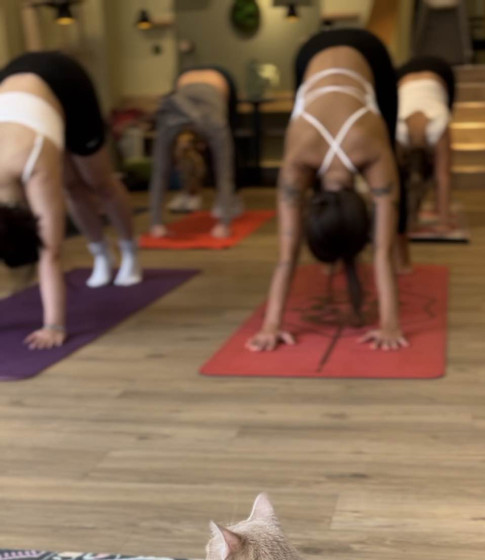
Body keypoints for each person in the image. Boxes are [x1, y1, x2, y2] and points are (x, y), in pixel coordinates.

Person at [249, 27, 408, 353]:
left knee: (393, 159)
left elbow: (287, 255)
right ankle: (346, 243)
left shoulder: (302, 162)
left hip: (357, 54)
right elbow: (380, 251)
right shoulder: (354, 154)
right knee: (391, 186)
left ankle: (397, 252)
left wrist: (272, 325)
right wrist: (388, 325)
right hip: (325, 52)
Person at [0, 49, 142, 350]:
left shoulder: (33, 164)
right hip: (18, 89)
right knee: (71, 186)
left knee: (98, 181)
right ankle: (101, 254)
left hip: (64, 81)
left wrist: (54, 326)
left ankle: (130, 252)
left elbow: (50, 252)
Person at [149, 67, 242, 241]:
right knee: (221, 155)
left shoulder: (214, 123)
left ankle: (230, 200)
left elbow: (225, 172)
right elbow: (159, 171)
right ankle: (198, 195)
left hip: (220, 79)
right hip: (187, 80)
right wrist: (155, 224)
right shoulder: (168, 122)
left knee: (227, 153)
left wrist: (224, 224)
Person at [396, 55, 455, 233]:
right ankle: (426, 212)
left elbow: (442, 176)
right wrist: (444, 223)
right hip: (430, 73)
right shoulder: (401, 129)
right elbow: (443, 175)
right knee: (406, 173)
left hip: (435, 73)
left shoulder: (436, 123)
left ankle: (419, 213)